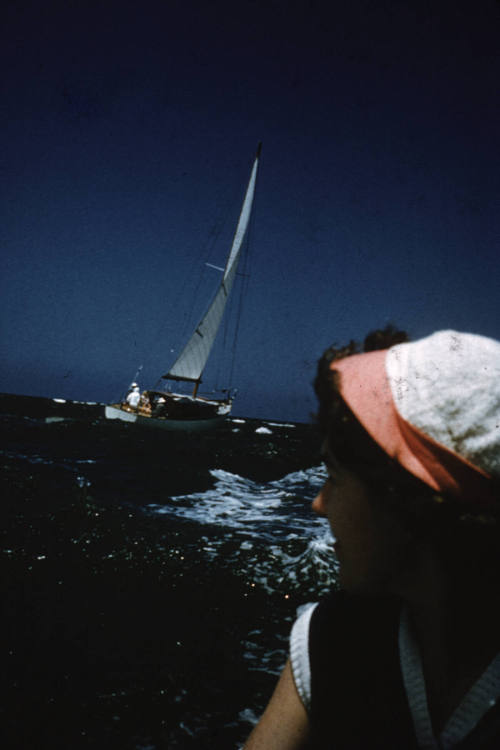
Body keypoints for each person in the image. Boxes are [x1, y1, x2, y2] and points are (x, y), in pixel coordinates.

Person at [243, 328, 500, 749]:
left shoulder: (335, 641)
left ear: (403, 496)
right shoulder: (328, 639)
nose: (318, 505)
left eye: (334, 477)